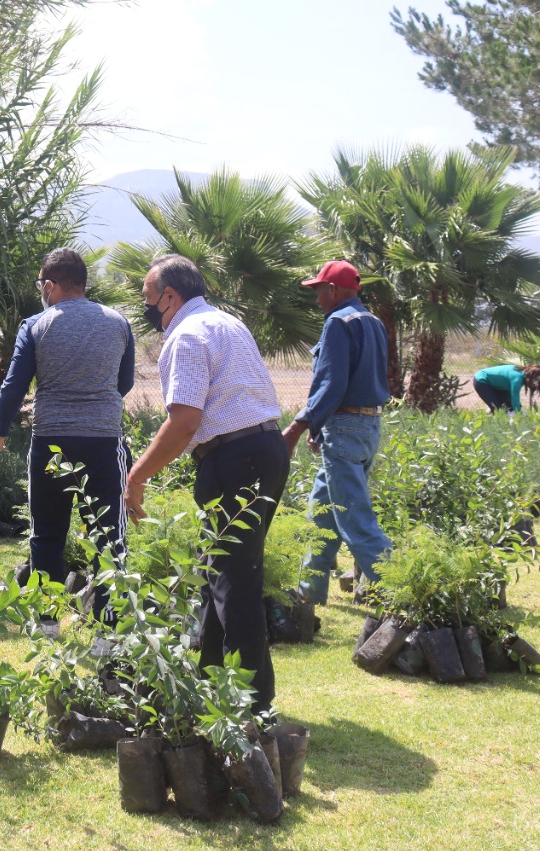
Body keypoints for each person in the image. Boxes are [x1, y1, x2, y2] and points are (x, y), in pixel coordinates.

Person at [125, 254, 287, 715]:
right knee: (222, 575)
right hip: (266, 450)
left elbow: (184, 421)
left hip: (234, 460)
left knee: (233, 584)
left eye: (148, 299)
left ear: (169, 296)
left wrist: (136, 476)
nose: (147, 309)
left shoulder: (187, 335)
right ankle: (213, 684)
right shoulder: (226, 324)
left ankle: (249, 706)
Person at [0, 248, 136, 617]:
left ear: (52, 284)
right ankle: (109, 631)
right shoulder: (118, 321)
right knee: (108, 539)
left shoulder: (36, 325)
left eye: (42, 283)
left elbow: (14, 385)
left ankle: (47, 624)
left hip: (50, 443)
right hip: (104, 443)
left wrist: (0, 427)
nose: (41, 290)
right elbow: (125, 381)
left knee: (46, 537)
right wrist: (95, 404)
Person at [283, 260, 392, 605]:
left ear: (332, 290)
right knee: (322, 515)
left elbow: (332, 383)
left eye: (318, 291)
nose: (317, 300)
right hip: (366, 426)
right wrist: (321, 424)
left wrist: (298, 426)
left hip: (343, 427)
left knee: (355, 520)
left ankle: (404, 595)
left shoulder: (337, 322)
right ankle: (308, 597)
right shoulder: (372, 321)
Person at [473, 363, 540, 414]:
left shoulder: (523, 375)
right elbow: (515, 396)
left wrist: (516, 407)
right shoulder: (517, 379)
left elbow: (511, 397)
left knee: (508, 407)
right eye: (536, 380)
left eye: (538, 382)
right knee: (498, 409)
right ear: (531, 376)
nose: (536, 383)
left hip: (497, 384)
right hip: (482, 380)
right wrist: (518, 413)